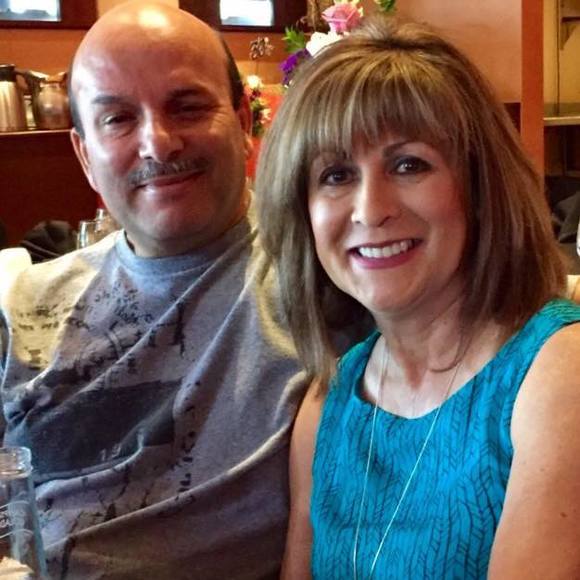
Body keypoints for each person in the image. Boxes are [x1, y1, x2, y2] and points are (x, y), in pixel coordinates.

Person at [255, 15, 580, 579]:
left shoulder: (557, 374)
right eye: (336, 175)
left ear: (481, 187)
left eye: (409, 165)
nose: (370, 209)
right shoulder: (329, 399)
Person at [0, 2, 309, 578]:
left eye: (187, 107)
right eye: (118, 118)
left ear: (244, 123)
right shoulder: (21, 308)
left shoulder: (322, 280)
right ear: (84, 155)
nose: (158, 144)